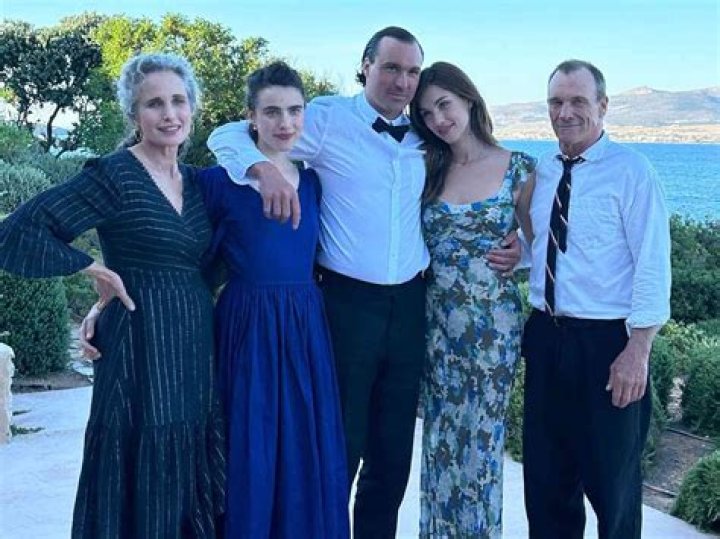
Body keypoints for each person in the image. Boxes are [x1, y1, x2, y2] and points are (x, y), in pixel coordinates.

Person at [207, 27, 520, 537]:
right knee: (339, 445)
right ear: (366, 66)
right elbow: (226, 135)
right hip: (345, 304)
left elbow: (477, 193)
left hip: (412, 303)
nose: (402, 81)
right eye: (391, 68)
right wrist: (262, 169)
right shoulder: (327, 118)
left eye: (412, 71)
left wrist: (519, 246)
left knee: (391, 455)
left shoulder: (428, 135)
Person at [0, 53, 226, 538]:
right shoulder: (114, 175)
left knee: (190, 460)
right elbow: (17, 231)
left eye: (178, 101)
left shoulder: (198, 183)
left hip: (194, 345)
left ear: (192, 108)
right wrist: (93, 269)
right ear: (134, 114)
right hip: (138, 344)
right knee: (138, 454)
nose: (169, 114)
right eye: (154, 104)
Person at [197, 61, 349, 538]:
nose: (286, 123)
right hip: (247, 324)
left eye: (295, 111)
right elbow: (186, 256)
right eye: (272, 112)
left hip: (305, 324)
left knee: (304, 441)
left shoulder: (315, 181)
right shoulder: (220, 181)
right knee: (251, 438)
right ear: (251, 117)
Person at [521, 59, 671, 539]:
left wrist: (638, 349)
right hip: (546, 337)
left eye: (577, 101)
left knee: (614, 489)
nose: (564, 112)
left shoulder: (632, 172)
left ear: (603, 106)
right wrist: (514, 252)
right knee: (547, 484)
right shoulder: (542, 171)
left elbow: (652, 263)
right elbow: (544, 244)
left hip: (607, 346)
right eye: (556, 102)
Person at [408, 61, 535, 538]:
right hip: (436, 327)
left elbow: (546, 247)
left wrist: (520, 254)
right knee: (440, 443)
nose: (439, 119)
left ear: (468, 98)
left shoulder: (520, 168)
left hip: (492, 332)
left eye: (444, 105)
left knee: (481, 446)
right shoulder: (427, 167)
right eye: (427, 113)